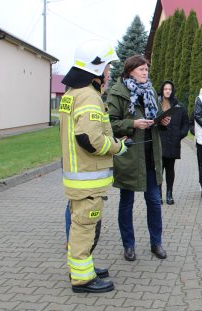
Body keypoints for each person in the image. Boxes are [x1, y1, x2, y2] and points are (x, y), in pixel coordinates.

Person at [59, 40, 125, 293]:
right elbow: (90, 139)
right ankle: (83, 279)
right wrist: (117, 147)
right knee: (84, 228)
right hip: (87, 178)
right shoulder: (88, 96)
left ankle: (81, 266)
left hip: (78, 177)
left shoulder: (72, 94)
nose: (109, 73)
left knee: (80, 226)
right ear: (96, 69)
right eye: (107, 67)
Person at [108, 55, 170, 262]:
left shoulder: (151, 90)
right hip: (130, 155)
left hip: (151, 155)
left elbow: (157, 115)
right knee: (127, 202)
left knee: (154, 201)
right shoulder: (117, 92)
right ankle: (128, 245)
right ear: (130, 70)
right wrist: (133, 124)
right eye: (142, 69)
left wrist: (163, 120)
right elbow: (110, 124)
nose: (146, 72)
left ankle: (156, 243)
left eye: (147, 69)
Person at [158, 80, 189, 205]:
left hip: (172, 143)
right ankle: (158, 195)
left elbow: (186, 124)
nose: (167, 91)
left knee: (170, 169)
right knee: (159, 170)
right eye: (165, 89)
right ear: (162, 90)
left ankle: (169, 194)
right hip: (159, 143)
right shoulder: (156, 104)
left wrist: (179, 135)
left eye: (169, 89)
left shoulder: (179, 106)